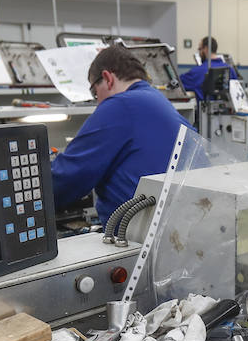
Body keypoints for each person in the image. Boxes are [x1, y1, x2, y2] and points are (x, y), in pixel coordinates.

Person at [52, 44, 194, 223]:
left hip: (135, 239)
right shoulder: (158, 100)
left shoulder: (119, 106)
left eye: (95, 92)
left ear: (107, 78)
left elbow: (66, 180)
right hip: (175, 226)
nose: (98, 102)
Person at [178, 36, 238, 101]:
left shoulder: (197, 72)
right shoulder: (230, 70)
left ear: (206, 48)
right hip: (226, 110)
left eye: (199, 49)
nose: (199, 52)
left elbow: (178, 83)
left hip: (204, 110)